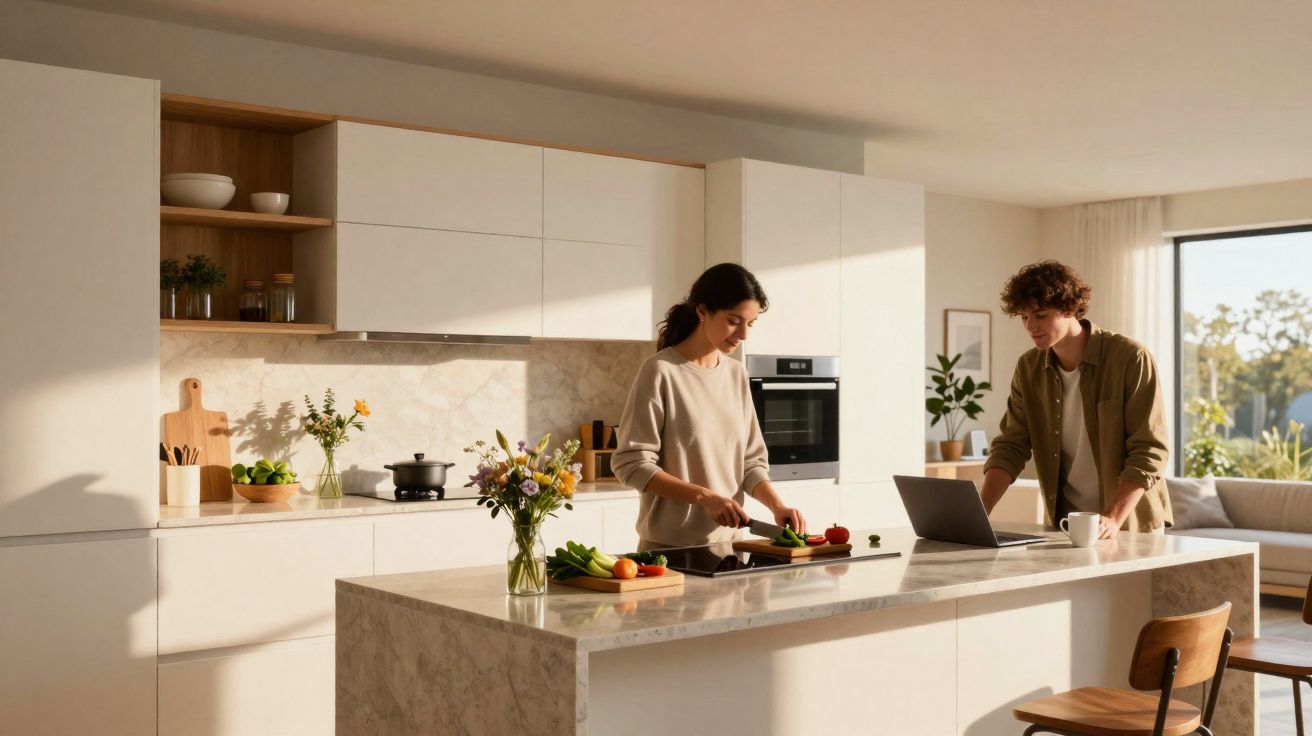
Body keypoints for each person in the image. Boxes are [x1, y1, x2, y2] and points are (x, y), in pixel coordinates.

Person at [612, 263, 806, 550]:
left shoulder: (736, 374)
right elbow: (631, 464)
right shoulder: (661, 371)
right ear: (702, 312)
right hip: (669, 551)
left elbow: (750, 463)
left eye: (750, 324)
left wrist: (777, 506)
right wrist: (704, 497)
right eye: (733, 321)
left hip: (732, 546)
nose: (743, 335)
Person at [981, 260, 1172, 539]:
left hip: (1131, 526)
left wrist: (1112, 518)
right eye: (1024, 317)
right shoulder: (1028, 367)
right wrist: (978, 512)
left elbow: (1149, 450)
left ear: (1070, 308)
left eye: (1041, 315)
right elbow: (1011, 445)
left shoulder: (1129, 357)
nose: (1030, 326)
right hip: (1066, 525)